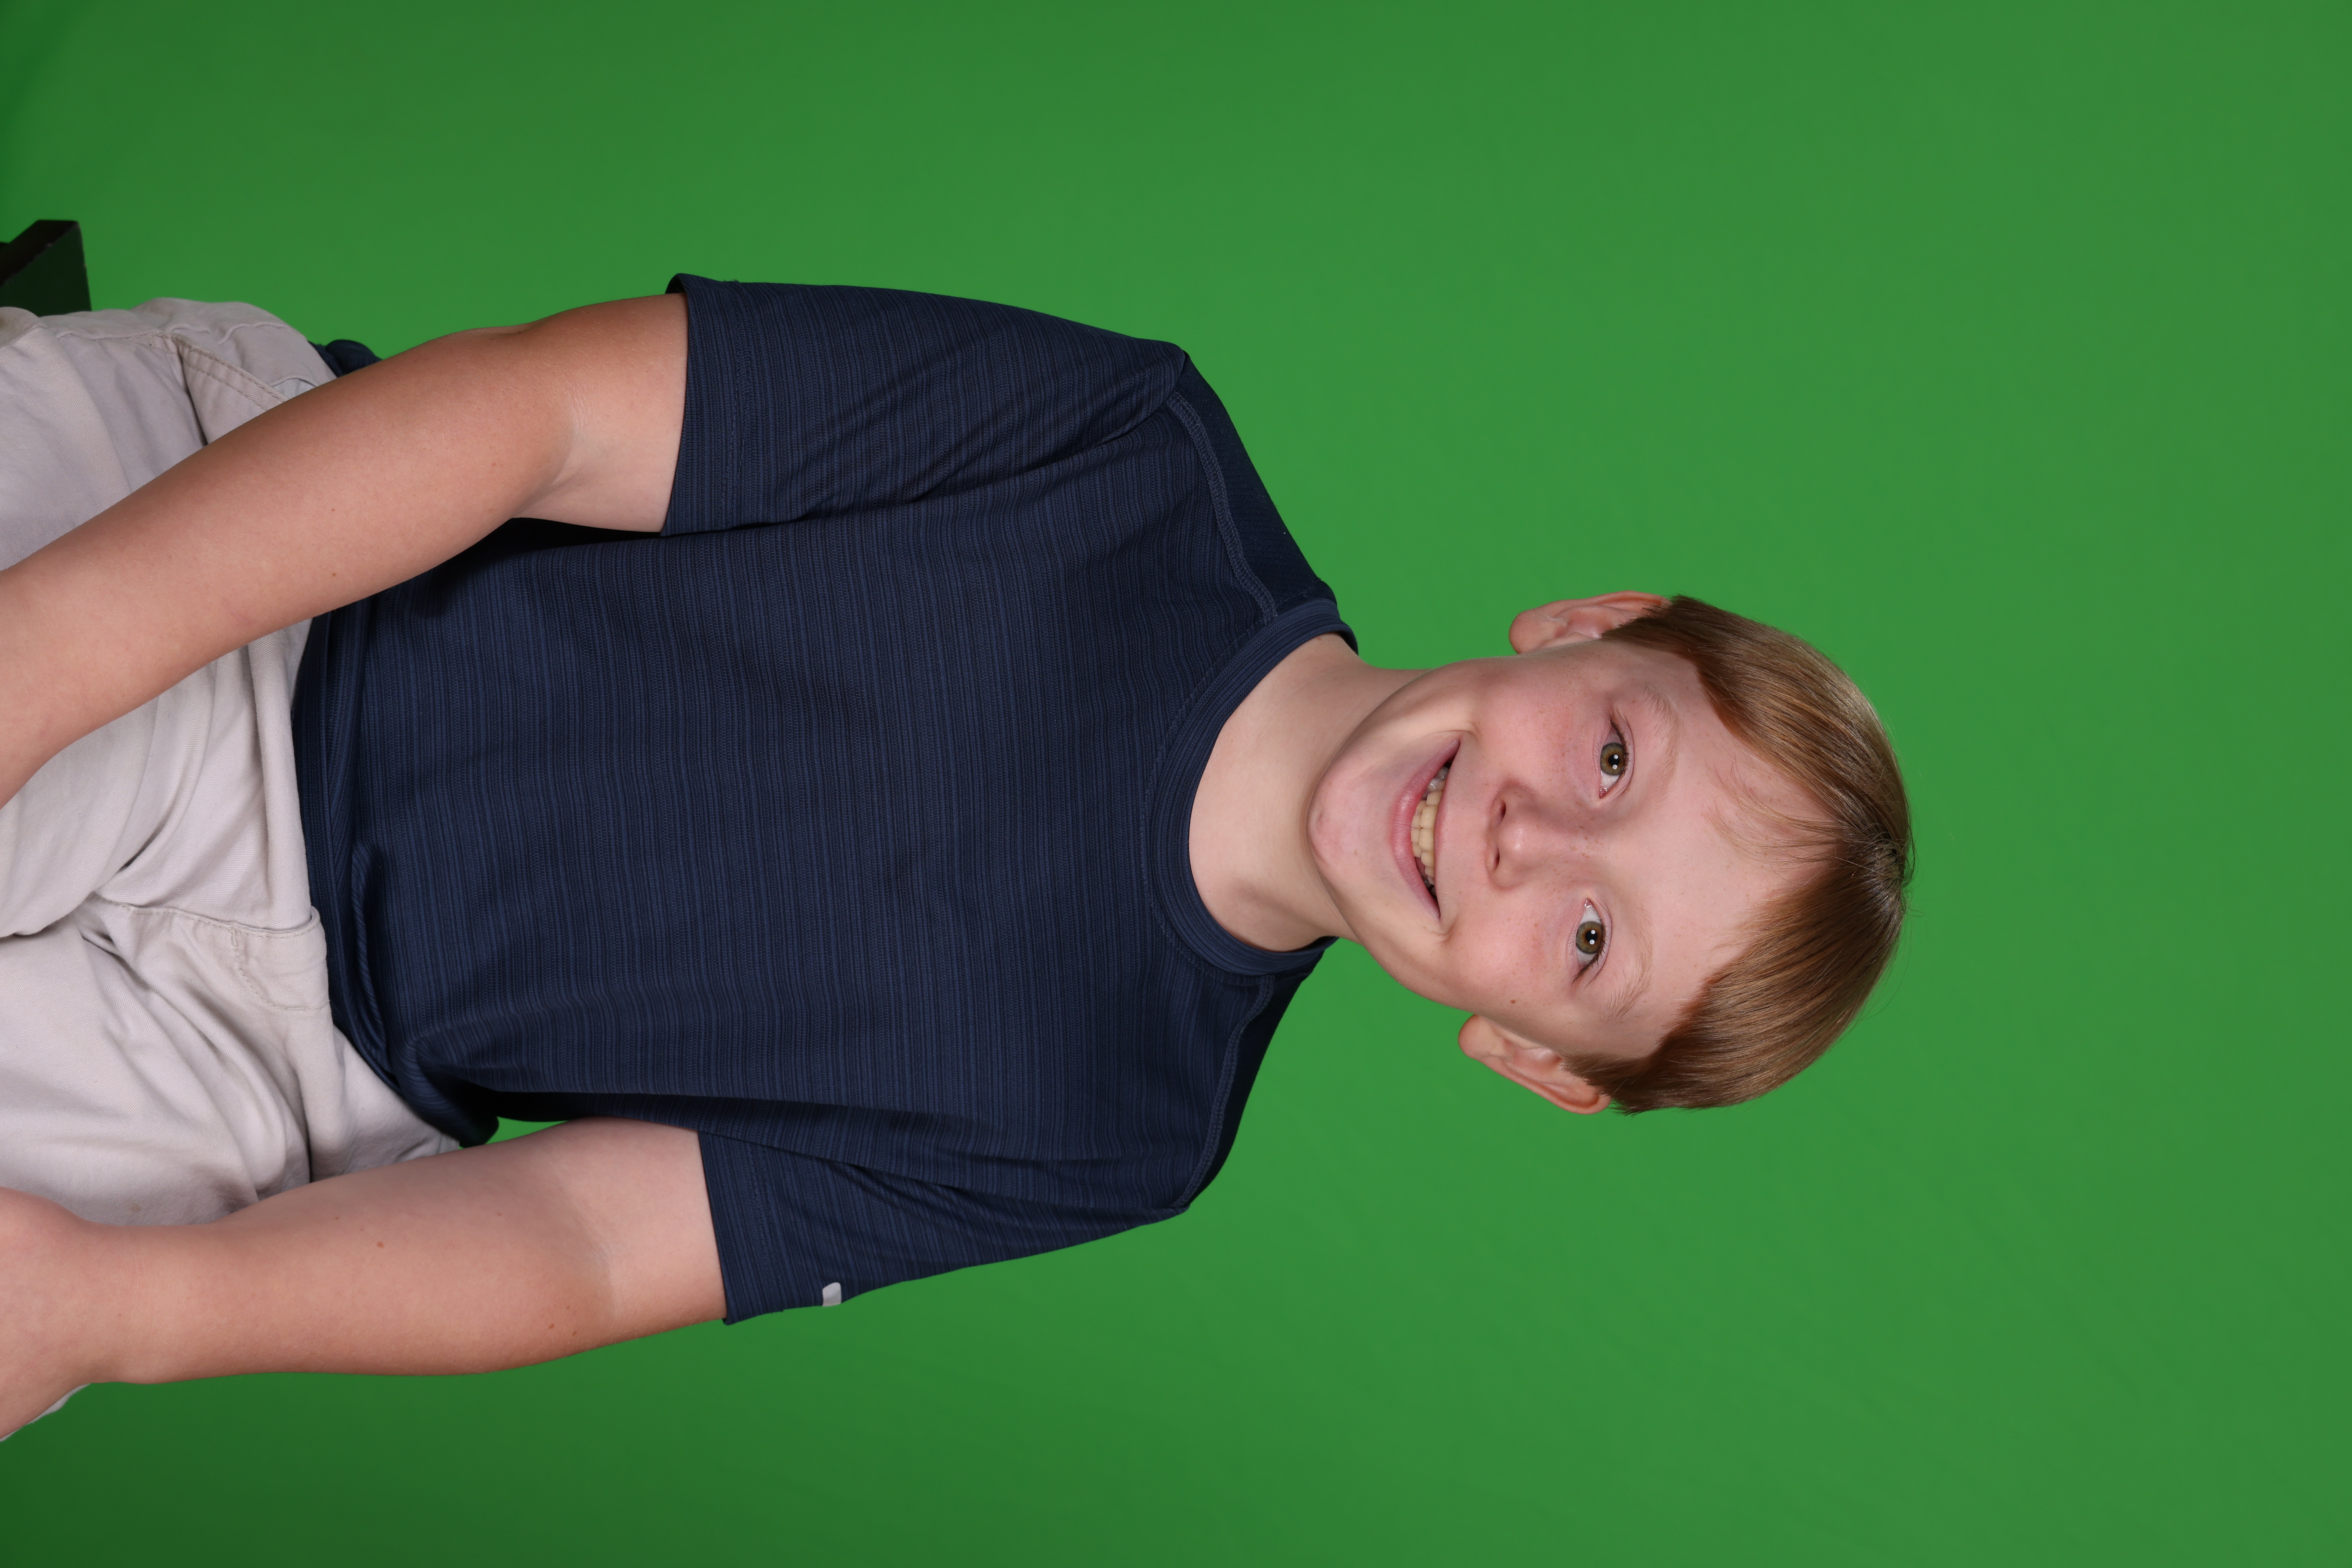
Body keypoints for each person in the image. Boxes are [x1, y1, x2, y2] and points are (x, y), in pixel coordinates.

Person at [0, 280, 1911, 1438]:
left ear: (1534, 1052)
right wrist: (48, 654)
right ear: (1589, 625)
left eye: (1588, 936)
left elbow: (589, 1238)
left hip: (290, 1056)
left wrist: (127, 1309)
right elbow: (537, 414)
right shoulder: (1131, 457)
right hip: (257, 593)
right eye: (1610, 755)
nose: (1529, 834)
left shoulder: (1124, 1130)